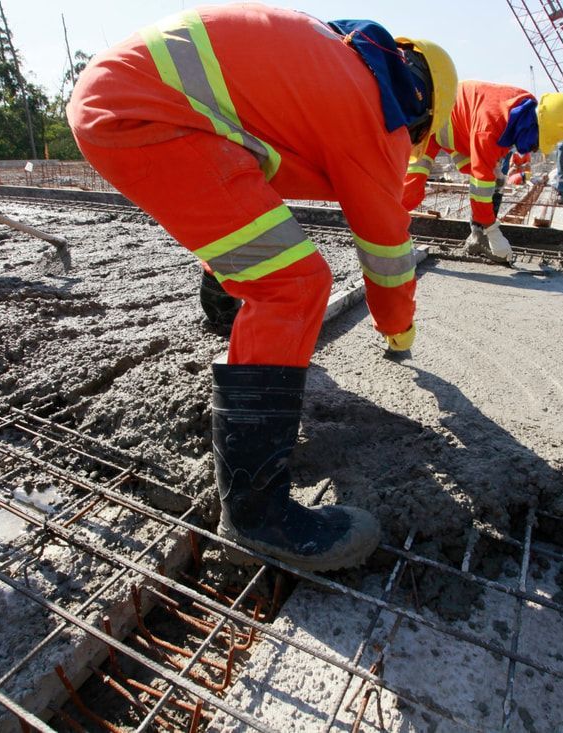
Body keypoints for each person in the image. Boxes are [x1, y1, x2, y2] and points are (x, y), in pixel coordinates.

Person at [68, 5, 457, 571]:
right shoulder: (379, 115)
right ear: (422, 106)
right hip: (143, 115)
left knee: (258, 231)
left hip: (131, 97)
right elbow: (388, 250)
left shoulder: (337, 63)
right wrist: (399, 332)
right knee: (294, 286)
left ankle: (229, 320)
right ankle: (256, 515)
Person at [402, 80, 563, 264]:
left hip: (462, 130)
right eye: (537, 142)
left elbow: (494, 157)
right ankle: (384, 237)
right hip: (433, 125)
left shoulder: (521, 110)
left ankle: (477, 239)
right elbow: (480, 184)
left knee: (496, 181)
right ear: (534, 126)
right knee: (411, 190)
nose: (534, 149)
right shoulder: (490, 127)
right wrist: (494, 231)